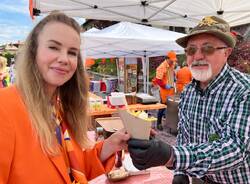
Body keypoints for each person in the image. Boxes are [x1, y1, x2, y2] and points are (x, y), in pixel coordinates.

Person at [0, 12, 130, 184]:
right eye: (54, 47)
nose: (64, 59)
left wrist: (111, 144)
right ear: (33, 51)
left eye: (72, 52)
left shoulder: (58, 110)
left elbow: (72, 168)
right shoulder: (5, 108)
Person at [128, 16, 250, 184]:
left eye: (207, 48)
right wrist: (180, 172)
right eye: (191, 50)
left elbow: (235, 149)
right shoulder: (189, 91)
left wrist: (172, 155)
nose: (197, 56)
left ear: (226, 52)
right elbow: (184, 136)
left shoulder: (244, 90)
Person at [154, 51, 177, 130]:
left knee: (171, 107)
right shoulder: (161, 67)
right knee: (163, 106)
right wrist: (165, 86)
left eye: (174, 60)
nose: (173, 62)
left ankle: (169, 123)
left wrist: (174, 78)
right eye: (171, 60)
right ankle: (159, 123)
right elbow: (158, 80)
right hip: (164, 91)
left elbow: (172, 73)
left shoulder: (172, 64)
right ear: (167, 59)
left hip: (171, 89)